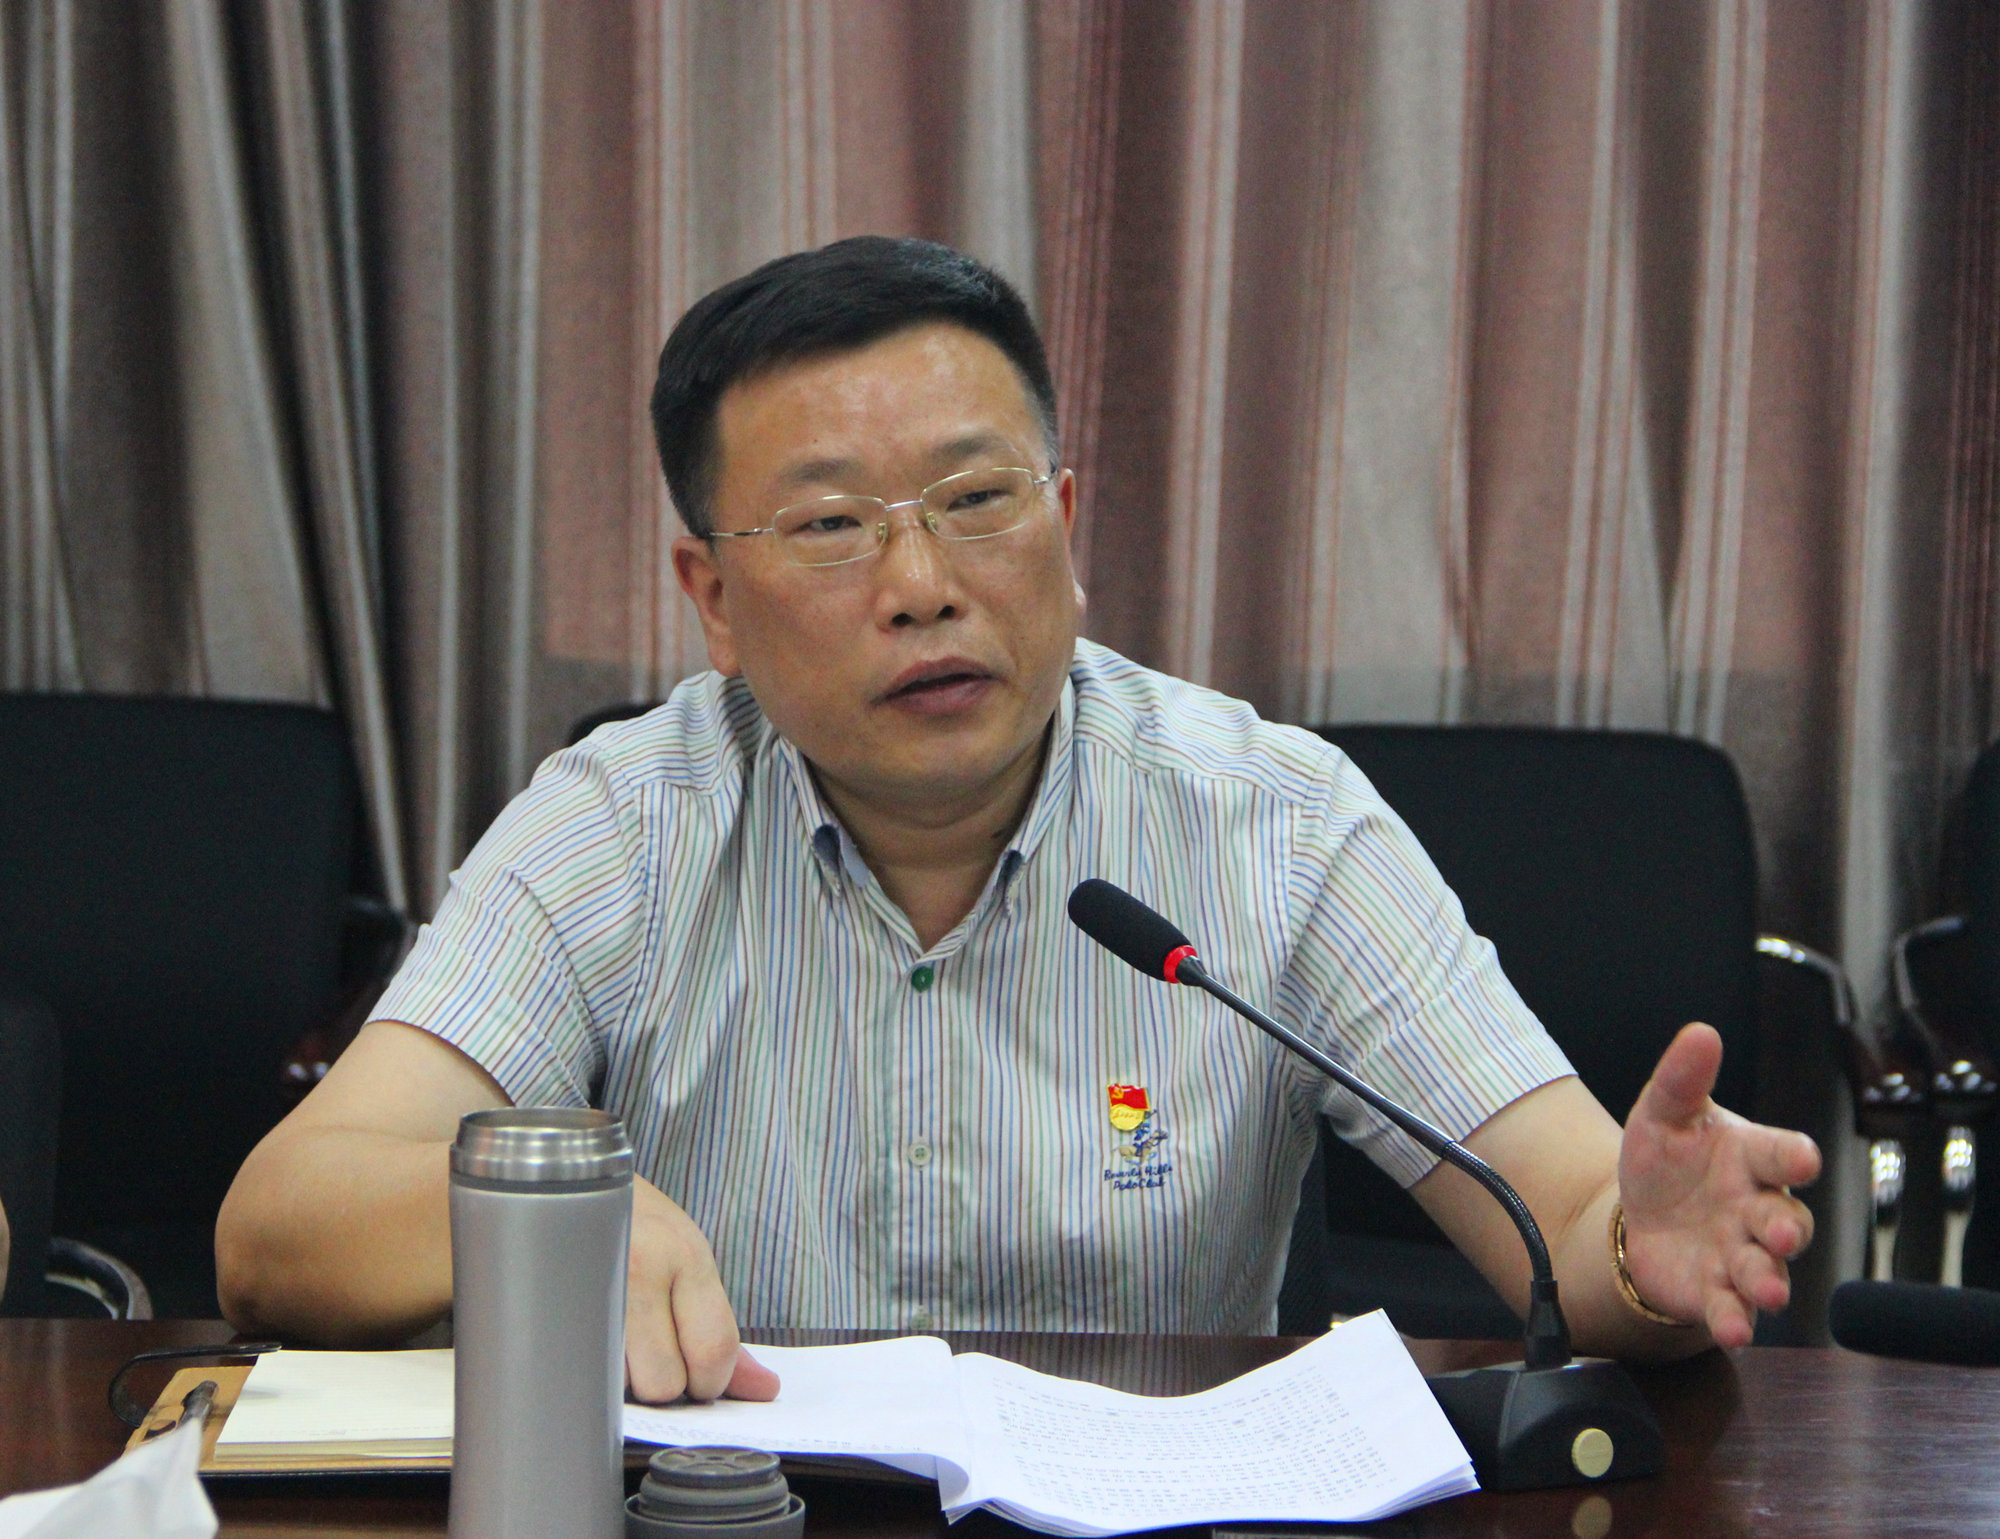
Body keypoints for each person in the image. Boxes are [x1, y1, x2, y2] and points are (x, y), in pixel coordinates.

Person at [216, 236, 1819, 1406]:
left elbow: (1574, 1222)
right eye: (830, 526)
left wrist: (1648, 1255)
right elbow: (281, 1223)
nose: (922, 586)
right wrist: (550, 1214)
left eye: (977, 502)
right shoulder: (622, 828)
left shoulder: (1272, 825)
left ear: (1062, 522)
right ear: (712, 598)